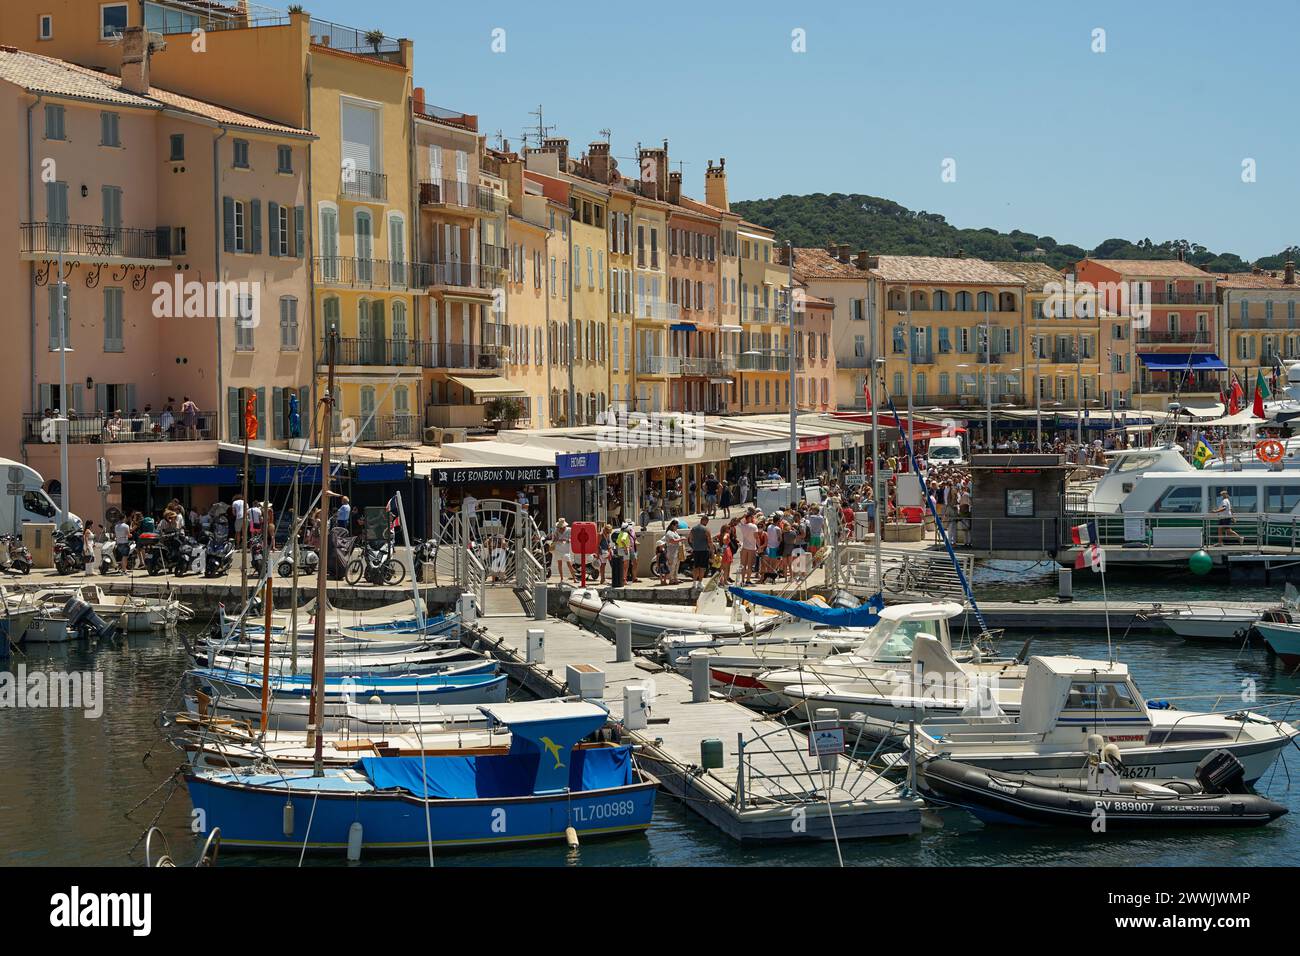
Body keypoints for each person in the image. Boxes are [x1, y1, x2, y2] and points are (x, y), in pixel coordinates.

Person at [688, 516, 713, 583]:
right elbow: (710, 541)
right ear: (704, 520)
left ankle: (694, 583)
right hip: (704, 550)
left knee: (696, 567)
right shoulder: (706, 529)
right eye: (707, 522)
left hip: (696, 550)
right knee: (702, 568)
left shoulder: (693, 529)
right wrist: (712, 551)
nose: (707, 523)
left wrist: (695, 545)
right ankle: (700, 582)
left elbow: (690, 539)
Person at [737, 513, 758, 585]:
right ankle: (748, 580)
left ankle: (742, 580)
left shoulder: (743, 526)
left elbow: (737, 521)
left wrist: (742, 516)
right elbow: (756, 537)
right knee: (750, 565)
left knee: (743, 565)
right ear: (751, 518)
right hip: (752, 548)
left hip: (745, 547)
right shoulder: (754, 526)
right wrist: (759, 547)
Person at [660, 520, 684, 584]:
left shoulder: (675, 532)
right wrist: (681, 539)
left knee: (677, 566)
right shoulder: (669, 533)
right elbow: (672, 541)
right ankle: (671, 579)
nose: (677, 527)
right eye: (676, 526)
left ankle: (676, 578)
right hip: (672, 552)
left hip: (677, 551)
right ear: (672, 525)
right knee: (672, 566)